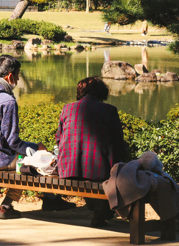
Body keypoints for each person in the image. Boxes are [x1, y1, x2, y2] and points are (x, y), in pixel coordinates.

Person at [0, 55, 63, 218]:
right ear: (10, 76)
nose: (17, 80)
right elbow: (13, 142)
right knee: (30, 164)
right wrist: (36, 147)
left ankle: (51, 198)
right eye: (18, 76)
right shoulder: (7, 100)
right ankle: (7, 206)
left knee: (27, 159)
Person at [56, 76, 130, 226]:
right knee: (109, 172)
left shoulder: (67, 108)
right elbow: (118, 142)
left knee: (88, 178)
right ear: (102, 92)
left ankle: (98, 210)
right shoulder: (109, 110)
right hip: (98, 171)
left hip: (68, 170)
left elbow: (59, 138)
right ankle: (100, 214)